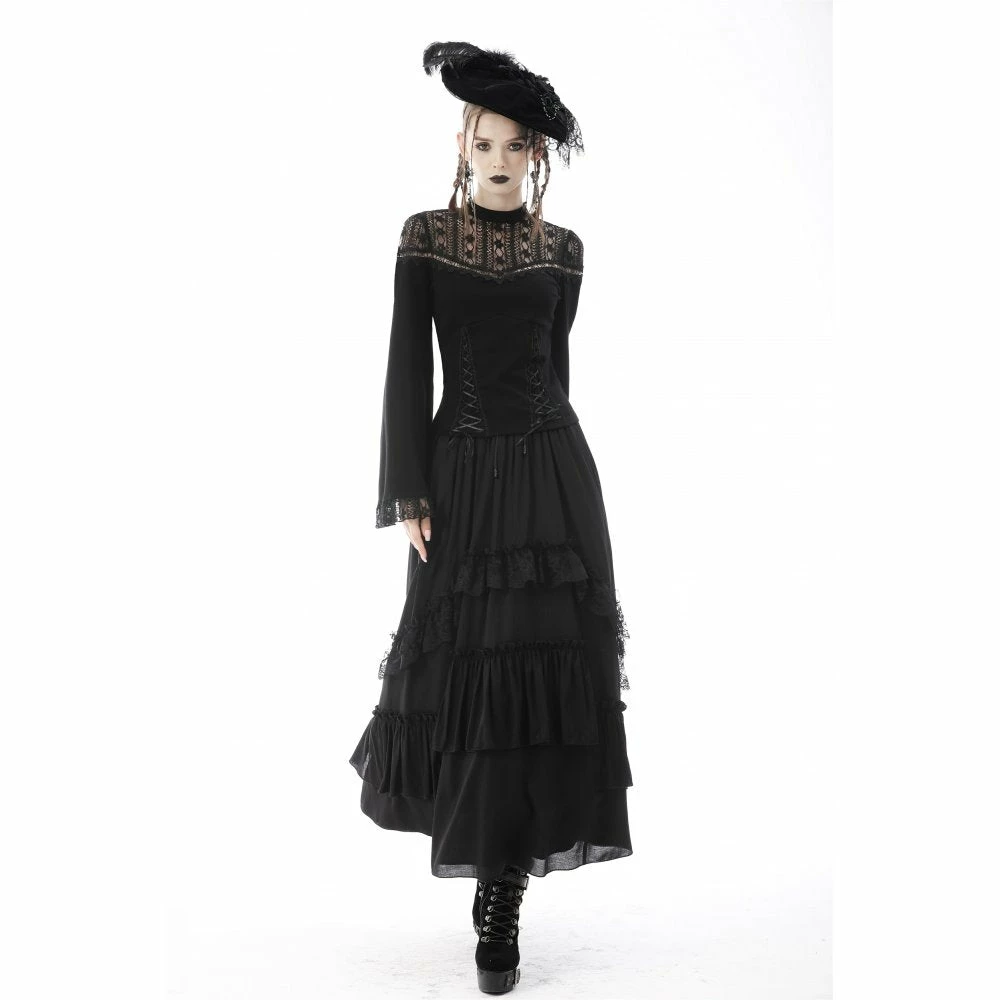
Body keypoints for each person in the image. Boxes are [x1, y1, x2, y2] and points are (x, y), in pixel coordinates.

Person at [348, 41, 634, 995]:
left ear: (537, 155)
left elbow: (556, 372)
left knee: (546, 672)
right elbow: (405, 367)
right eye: (484, 142)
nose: (500, 159)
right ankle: (488, 864)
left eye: (517, 144)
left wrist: (563, 487)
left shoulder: (564, 251)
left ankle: (504, 889)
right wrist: (408, 491)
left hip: (554, 478)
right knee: (470, 671)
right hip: (460, 479)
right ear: (462, 145)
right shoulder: (425, 237)